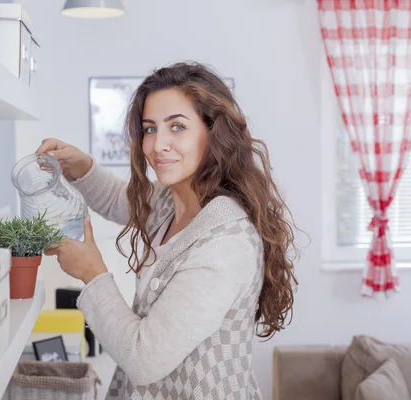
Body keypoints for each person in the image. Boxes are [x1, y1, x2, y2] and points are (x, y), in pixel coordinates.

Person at [38, 61, 298, 400]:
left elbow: (143, 358)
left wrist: (92, 273)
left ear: (214, 132)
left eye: (177, 127)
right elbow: (126, 202)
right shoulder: (177, 201)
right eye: (149, 128)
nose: (157, 144)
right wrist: (83, 167)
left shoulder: (224, 244)